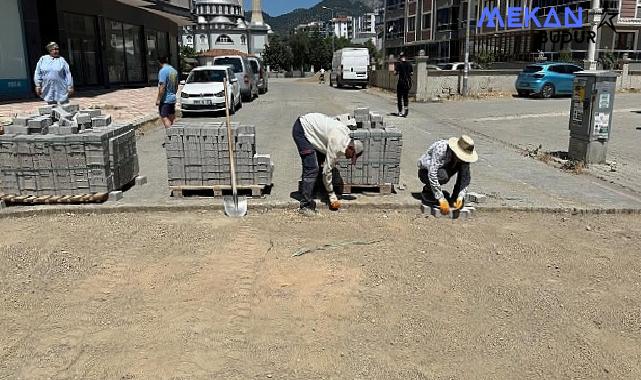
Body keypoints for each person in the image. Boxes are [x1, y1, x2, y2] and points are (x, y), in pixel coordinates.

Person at [292, 113, 364, 215]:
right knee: (312, 167)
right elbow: (327, 171)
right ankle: (305, 206)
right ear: (351, 148)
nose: (349, 158)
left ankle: (316, 190)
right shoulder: (337, 143)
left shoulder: (346, 134)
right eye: (351, 156)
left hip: (313, 129)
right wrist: (332, 195)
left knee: (320, 160)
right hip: (302, 129)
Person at [418, 135, 479, 215]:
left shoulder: (463, 160)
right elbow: (432, 173)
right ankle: (428, 190)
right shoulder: (441, 148)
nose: (462, 158)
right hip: (425, 171)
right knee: (443, 176)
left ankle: (455, 198)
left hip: (443, 169)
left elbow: (466, 177)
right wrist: (440, 198)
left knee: (462, 167)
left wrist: (461, 196)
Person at [156, 56, 178, 128]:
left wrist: (158, 99)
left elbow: (162, 86)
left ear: (159, 62)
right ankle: (175, 133)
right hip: (172, 98)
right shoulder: (174, 71)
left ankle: (169, 134)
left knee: (164, 116)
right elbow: (176, 86)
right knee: (172, 116)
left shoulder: (163, 71)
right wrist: (173, 94)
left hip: (165, 100)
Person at [395, 52, 413, 118]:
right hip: (407, 84)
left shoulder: (399, 64)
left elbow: (395, 73)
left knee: (399, 98)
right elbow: (411, 73)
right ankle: (406, 110)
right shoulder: (409, 64)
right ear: (405, 57)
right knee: (405, 97)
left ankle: (400, 112)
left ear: (400, 57)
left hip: (400, 83)